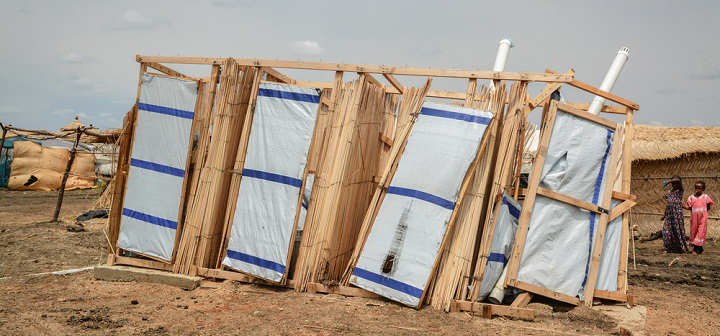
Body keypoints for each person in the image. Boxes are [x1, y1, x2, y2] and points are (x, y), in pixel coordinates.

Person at [683, 181, 714, 255]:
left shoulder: (706, 197)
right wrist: (683, 206)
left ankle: (695, 249)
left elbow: (708, 207)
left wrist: (702, 212)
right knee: (694, 231)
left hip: (703, 217)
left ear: (703, 189)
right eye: (696, 188)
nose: (697, 190)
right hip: (694, 217)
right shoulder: (691, 197)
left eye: (699, 188)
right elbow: (690, 207)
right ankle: (700, 248)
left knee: (700, 232)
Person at [660, 176, 688, 253]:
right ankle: (667, 248)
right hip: (669, 214)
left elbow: (679, 181)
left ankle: (680, 248)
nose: (674, 184)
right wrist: (664, 215)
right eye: (673, 183)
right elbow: (668, 204)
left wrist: (668, 181)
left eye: (675, 183)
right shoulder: (669, 192)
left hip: (677, 214)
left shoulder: (680, 191)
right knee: (666, 231)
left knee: (677, 230)